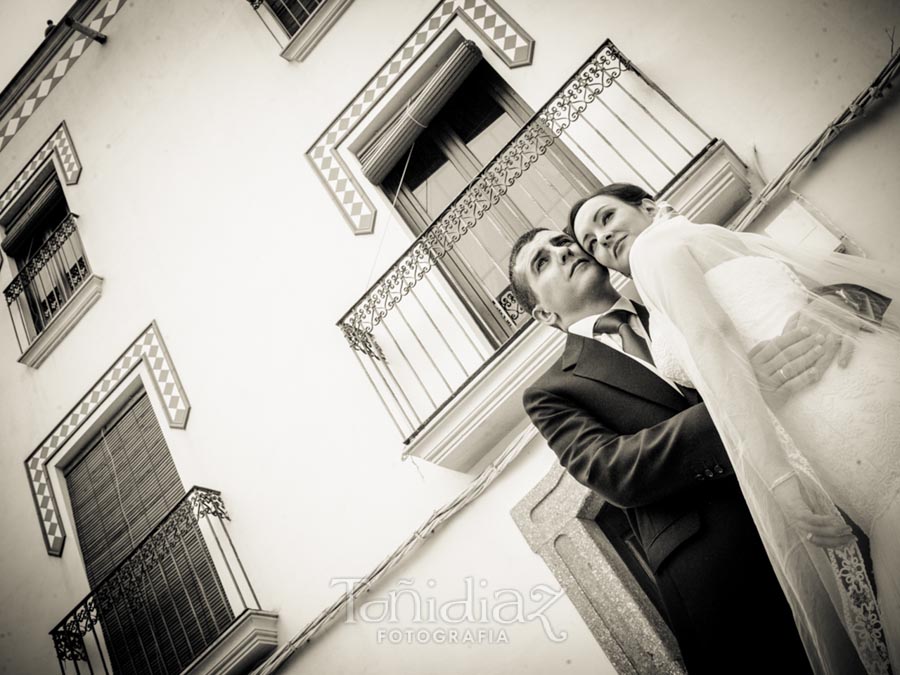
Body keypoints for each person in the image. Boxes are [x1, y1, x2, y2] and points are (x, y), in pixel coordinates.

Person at [566, 184, 899, 673]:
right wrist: (834, 308)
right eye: (590, 242)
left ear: (650, 207)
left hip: (843, 412)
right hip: (854, 396)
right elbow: (820, 289)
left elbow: (713, 338)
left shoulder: (657, 247)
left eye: (605, 217)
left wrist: (777, 477)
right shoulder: (707, 243)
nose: (601, 238)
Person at [508, 228, 844, 673]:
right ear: (543, 315)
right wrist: (737, 395)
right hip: (718, 572)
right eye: (542, 261)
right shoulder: (552, 391)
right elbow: (614, 471)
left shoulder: (679, 303)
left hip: (814, 517)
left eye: (563, 241)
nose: (564, 250)